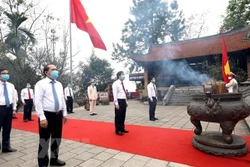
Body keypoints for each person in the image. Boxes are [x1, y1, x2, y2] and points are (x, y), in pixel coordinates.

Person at [35, 64, 67, 167]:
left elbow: (62, 99)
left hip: (58, 115)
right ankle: (43, 164)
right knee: (44, 140)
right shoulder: (41, 84)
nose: (56, 71)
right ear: (46, 72)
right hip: (46, 116)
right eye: (53, 69)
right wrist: (42, 117)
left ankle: (54, 160)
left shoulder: (59, 84)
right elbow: (38, 101)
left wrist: (64, 113)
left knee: (57, 139)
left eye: (56, 69)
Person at [0, 68, 17, 153]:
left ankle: (6, 147)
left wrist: (14, 109)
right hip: (0, 108)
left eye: (7, 73)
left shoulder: (11, 85)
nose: (6, 75)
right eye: (3, 73)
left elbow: (13, 98)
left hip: (8, 108)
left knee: (7, 128)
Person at [112, 71, 129, 136]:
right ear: (119, 76)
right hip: (119, 101)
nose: (124, 75)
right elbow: (115, 94)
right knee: (118, 116)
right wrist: (116, 103)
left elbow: (124, 93)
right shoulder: (115, 83)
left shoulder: (122, 83)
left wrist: (126, 101)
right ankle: (118, 130)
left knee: (123, 115)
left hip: (123, 100)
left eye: (124, 74)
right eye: (122, 74)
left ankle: (122, 128)